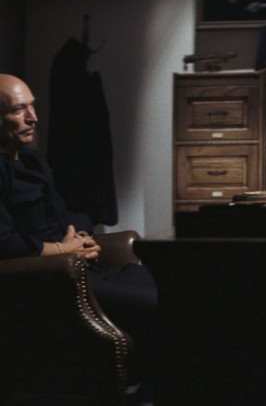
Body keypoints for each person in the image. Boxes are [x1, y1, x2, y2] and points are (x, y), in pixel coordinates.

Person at [0, 73, 156, 400]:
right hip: (50, 281)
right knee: (157, 303)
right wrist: (63, 250)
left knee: (167, 286)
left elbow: (64, 211)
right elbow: (6, 243)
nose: (33, 117)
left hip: (84, 267)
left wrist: (81, 237)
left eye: (32, 106)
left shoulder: (31, 159)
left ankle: (155, 388)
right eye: (18, 110)